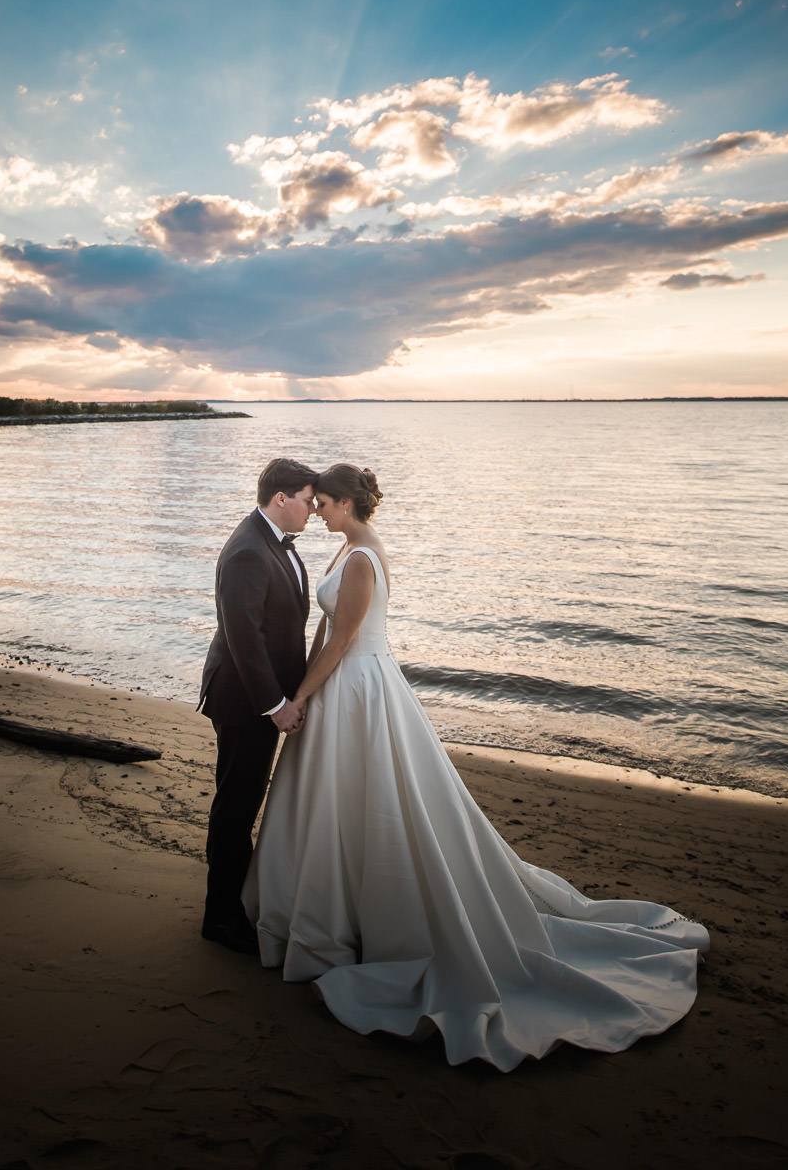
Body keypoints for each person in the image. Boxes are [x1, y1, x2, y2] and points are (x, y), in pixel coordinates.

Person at [243, 462, 710, 1071]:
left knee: (371, 800)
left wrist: (302, 696)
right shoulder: (349, 550)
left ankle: (360, 923)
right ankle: (335, 911)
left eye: (323, 505)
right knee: (336, 801)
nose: (317, 513)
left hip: (357, 690)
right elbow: (326, 636)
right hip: (343, 690)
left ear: (343, 503)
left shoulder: (361, 560)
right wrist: (304, 692)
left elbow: (341, 642)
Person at [198, 456, 317, 954]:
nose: (313, 511)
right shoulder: (249, 550)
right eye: (309, 502)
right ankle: (221, 919)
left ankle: (234, 906)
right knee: (235, 807)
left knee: (241, 801)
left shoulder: (274, 542)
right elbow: (244, 637)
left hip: (261, 696)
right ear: (281, 499)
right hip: (245, 700)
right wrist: (275, 705)